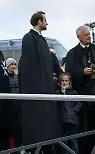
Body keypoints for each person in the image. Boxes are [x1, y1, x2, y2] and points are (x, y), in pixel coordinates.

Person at [18, 11, 61, 147]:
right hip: (36, 86)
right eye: (45, 20)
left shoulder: (41, 39)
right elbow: (30, 64)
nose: (47, 23)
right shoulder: (29, 38)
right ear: (39, 21)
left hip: (44, 85)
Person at [61, 26, 95, 154]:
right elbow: (69, 73)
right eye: (86, 34)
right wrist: (82, 72)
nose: (89, 36)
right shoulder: (72, 53)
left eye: (89, 34)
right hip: (82, 95)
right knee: (84, 126)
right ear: (79, 37)